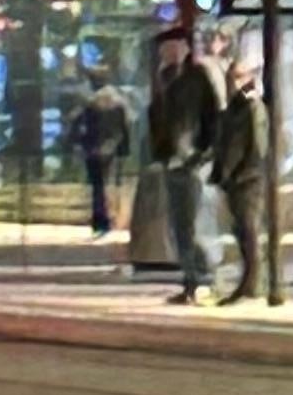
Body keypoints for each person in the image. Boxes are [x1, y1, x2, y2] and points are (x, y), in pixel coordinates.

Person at [146, 31, 221, 302]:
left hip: (192, 162)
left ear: (186, 49)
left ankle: (205, 278)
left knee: (194, 223)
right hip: (172, 161)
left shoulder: (197, 78)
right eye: (165, 48)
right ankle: (190, 280)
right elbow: (157, 119)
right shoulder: (162, 79)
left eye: (174, 47)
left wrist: (202, 154)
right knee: (180, 226)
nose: (168, 53)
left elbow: (212, 118)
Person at [211, 55, 270, 305]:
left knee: (250, 231)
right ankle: (249, 282)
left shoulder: (250, 105)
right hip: (237, 180)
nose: (232, 83)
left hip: (248, 179)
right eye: (230, 77)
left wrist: (241, 172)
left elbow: (256, 146)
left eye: (237, 77)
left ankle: (253, 284)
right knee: (243, 232)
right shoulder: (236, 106)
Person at [71, 73, 132, 238]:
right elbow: (125, 127)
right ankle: (110, 216)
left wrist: (78, 143)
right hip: (111, 147)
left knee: (97, 186)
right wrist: (124, 149)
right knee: (109, 183)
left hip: (92, 148)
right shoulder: (118, 102)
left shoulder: (90, 103)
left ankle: (100, 218)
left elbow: (78, 124)